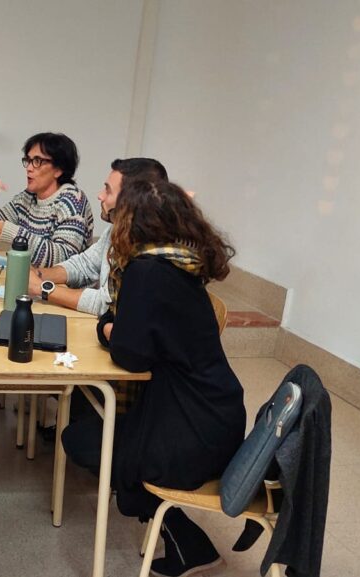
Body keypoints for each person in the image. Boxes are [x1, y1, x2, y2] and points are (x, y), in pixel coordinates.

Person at [62, 179, 246, 577]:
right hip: (215, 416)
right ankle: (186, 541)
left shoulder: (145, 271)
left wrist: (106, 329)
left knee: (82, 440)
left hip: (191, 430)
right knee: (96, 434)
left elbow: (130, 353)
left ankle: (184, 538)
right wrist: (115, 326)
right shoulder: (181, 264)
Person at [26, 158, 168, 316]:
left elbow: (107, 304)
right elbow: (84, 265)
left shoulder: (148, 252)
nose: (100, 196)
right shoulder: (116, 230)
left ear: (131, 201)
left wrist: (41, 288)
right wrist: (38, 275)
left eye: (108, 190)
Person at [0, 132, 95, 267]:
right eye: (28, 161)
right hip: (30, 276)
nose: (29, 168)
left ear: (58, 169)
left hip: (63, 281)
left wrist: (12, 233)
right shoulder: (27, 197)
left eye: (37, 161)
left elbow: (64, 259)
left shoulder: (72, 200)